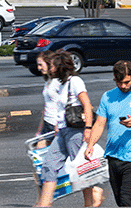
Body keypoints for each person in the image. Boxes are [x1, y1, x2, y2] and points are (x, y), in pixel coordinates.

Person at [82, 61, 131, 207]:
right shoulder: (108, 97)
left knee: (126, 200)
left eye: (126, 82)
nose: (123, 86)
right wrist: (90, 144)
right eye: (119, 82)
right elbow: (99, 124)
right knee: (120, 201)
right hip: (113, 156)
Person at [35, 50, 103, 207]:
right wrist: (58, 125)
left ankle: (89, 203)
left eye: (52, 65)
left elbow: (87, 104)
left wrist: (87, 129)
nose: (50, 68)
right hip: (62, 132)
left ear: (59, 66)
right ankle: (45, 204)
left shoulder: (75, 81)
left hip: (75, 132)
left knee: (82, 170)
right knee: (49, 166)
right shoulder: (61, 83)